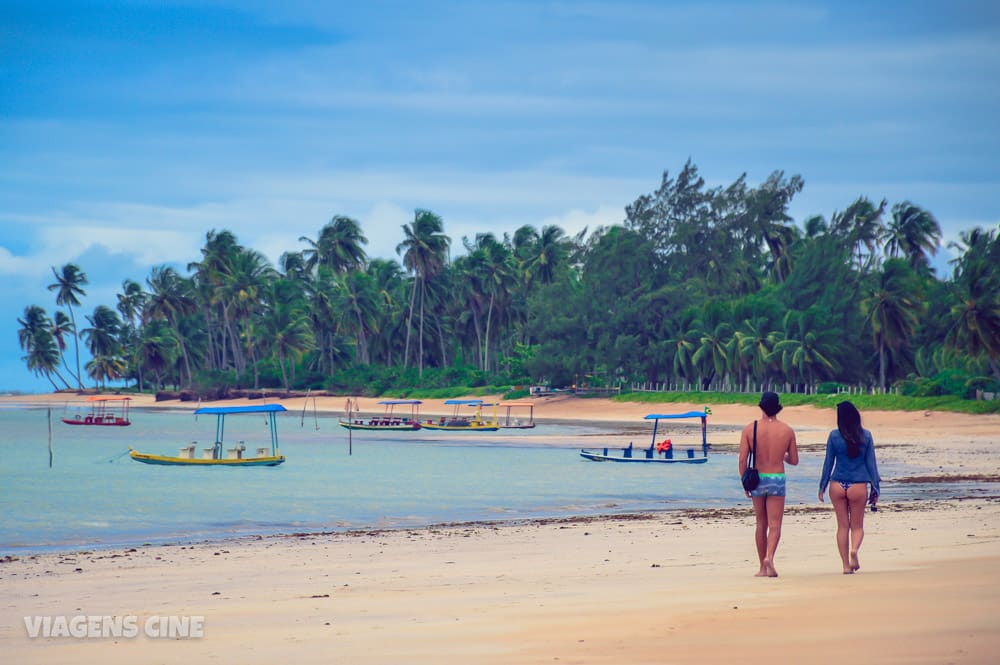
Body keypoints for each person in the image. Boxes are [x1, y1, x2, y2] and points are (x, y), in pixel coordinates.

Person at [739, 391, 799, 578]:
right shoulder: (787, 430)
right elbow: (794, 460)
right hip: (777, 478)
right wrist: (782, 455)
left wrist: (745, 484)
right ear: (778, 407)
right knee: (775, 524)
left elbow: (742, 460)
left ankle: (762, 567)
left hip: (757, 479)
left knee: (760, 523)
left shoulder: (750, 429)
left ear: (761, 406)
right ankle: (770, 557)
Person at [818, 400, 881, 574]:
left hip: (837, 484)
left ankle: (846, 566)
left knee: (842, 527)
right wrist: (876, 488)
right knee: (858, 527)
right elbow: (871, 465)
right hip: (858, 485)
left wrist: (822, 486)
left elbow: (828, 463)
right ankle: (854, 550)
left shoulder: (833, 436)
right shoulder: (866, 436)